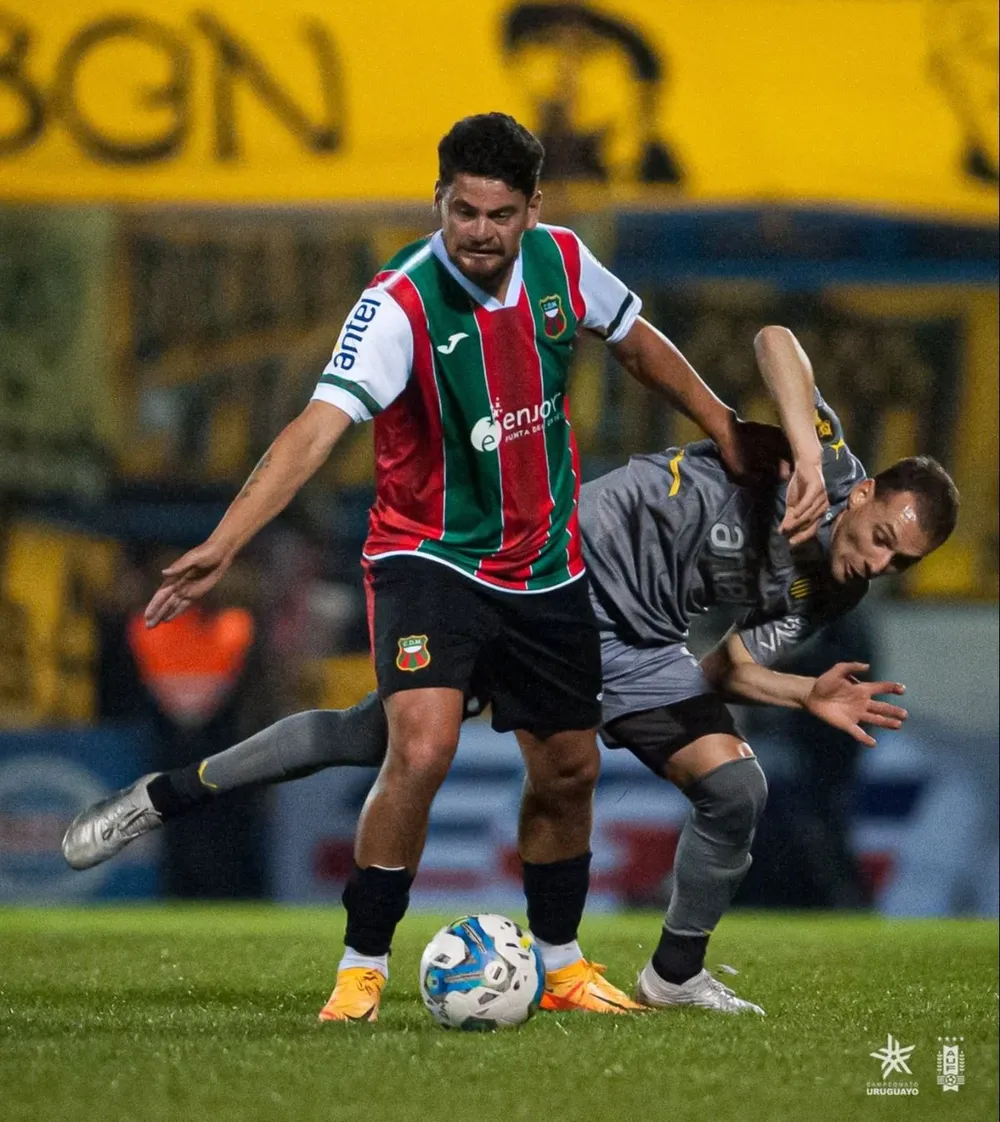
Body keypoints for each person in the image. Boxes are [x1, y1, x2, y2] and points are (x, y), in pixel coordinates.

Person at [68, 113, 796, 1023]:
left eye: (499, 214)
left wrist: (723, 421)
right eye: (463, 211)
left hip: (545, 569)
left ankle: (564, 968)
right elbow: (314, 430)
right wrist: (227, 538)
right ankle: (361, 970)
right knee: (421, 746)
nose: (480, 232)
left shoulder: (564, 262)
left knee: (562, 766)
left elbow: (635, 338)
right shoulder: (400, 302)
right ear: (438, 201)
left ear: (531, 208)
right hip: (428, 559)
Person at [65, 323, 960, 1015]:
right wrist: (804, 449)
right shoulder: (827, 463)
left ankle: (673, 977)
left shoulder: (833, 590)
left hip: (641, 642)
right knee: (368, 737)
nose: (879, 564)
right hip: (557, 572)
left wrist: (807, 690)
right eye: (882, 537)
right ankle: (164, 796)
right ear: (870, 491)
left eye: (899, 564)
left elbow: (722, 668)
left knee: (737, 792)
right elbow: (776, 344)